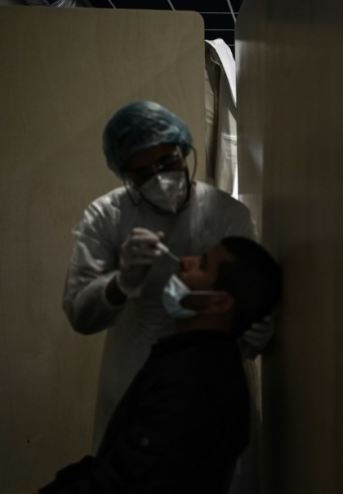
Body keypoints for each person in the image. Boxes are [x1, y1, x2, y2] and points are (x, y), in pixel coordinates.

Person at [0, 237, 282, 494]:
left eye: (202, 264)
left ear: (220, 302)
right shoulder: (187, 359)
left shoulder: (197, 380)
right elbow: (118, 464)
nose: (185, 261)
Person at [62, 101, 258, 448]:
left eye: (167, 162)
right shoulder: (108, 216)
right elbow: (80, 313)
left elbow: (255, 309)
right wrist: (122, 282)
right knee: (131, 472)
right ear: (124, 174)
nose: (159, 178)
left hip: (210, 376)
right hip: (132, 375)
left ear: (184, 150)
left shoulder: (228, 214)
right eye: (142, 174)